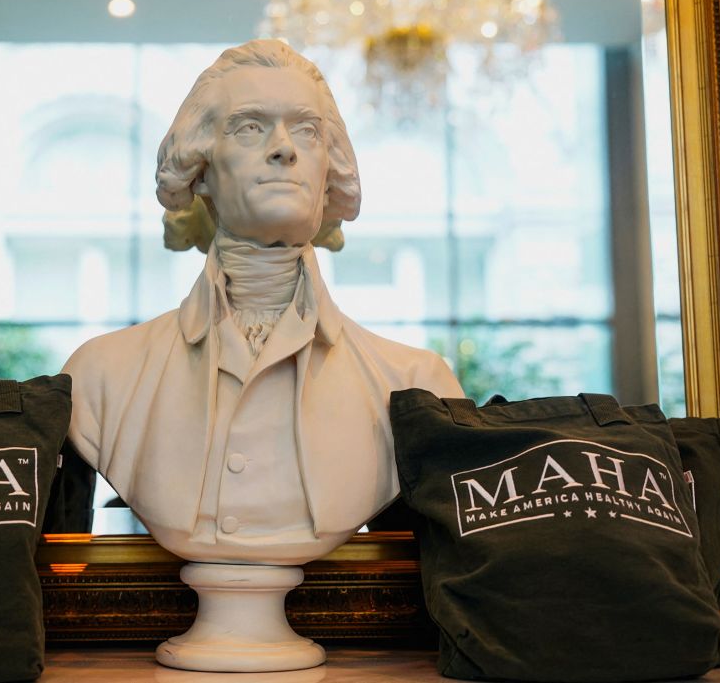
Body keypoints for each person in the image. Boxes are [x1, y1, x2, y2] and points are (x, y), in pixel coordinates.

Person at [62, 39, 463, 567]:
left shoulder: (416, 384)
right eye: (250, 127)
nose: (284, 149)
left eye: (306, 130)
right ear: (199, 168)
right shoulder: (100, 377)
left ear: (328, 175)